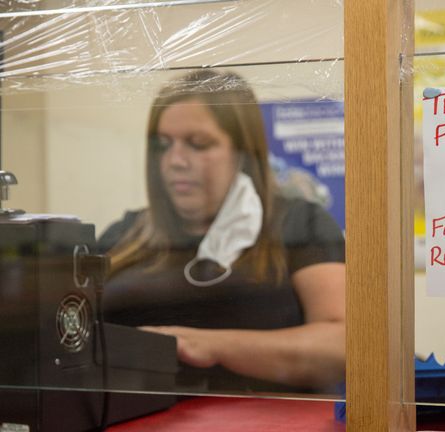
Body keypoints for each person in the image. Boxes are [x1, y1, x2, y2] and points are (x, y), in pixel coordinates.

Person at [97, 70, 345, 394]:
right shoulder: (125, 234)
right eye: (162, 145)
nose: (175, 160)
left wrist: (208, 345)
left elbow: (342, 344)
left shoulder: (299, 224)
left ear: (243, 152)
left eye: (198, 144)